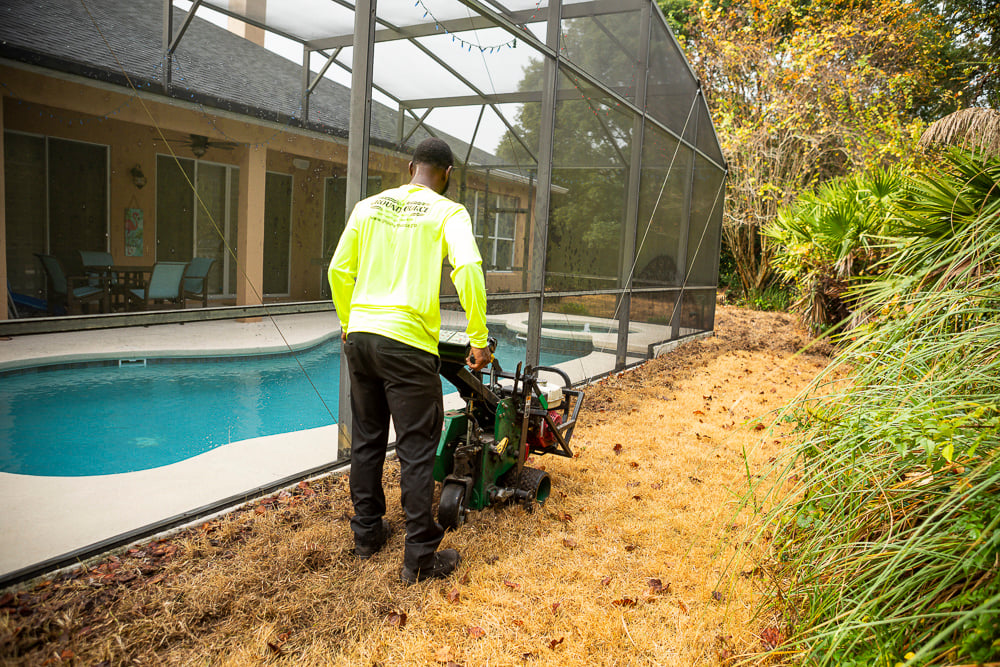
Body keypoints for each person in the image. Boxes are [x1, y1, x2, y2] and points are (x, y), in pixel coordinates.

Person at [328, 137, 490, 584]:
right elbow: (469, 270)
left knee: (367, 439)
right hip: (408, 344)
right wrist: (478, 338)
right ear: (447, 174)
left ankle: (367, 535)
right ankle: (419, 557)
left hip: (360, 336)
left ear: (411, 167)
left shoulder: (368, 206)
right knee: (416, 450)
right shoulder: (448, 212)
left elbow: (338, 270)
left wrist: (348, 321)